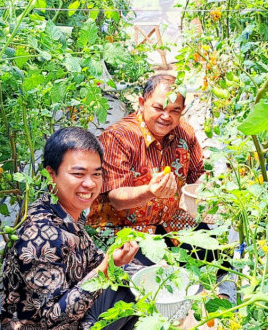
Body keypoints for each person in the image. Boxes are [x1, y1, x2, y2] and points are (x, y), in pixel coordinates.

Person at [0, 127, 188, 330]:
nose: (89, 183)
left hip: (76, 327)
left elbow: (88, 261)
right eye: (78, 174)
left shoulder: (62, 211)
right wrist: (106, 268)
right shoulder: (42, 238)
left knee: (137, 282)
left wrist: (120, 263)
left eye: (96, 174)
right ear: (52, 174)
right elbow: (54, 318)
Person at [87, 74, 204, 238]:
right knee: (158, 264)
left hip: (171, 224)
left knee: (219, 255)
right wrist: (150, 191)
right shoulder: (118, 137)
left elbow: (198, 176)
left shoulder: (185, 133)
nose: (166, 116)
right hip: (121, 230)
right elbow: (116, 198)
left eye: (174, 111)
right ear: (142, 103)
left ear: (182, 111)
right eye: (159, 108)